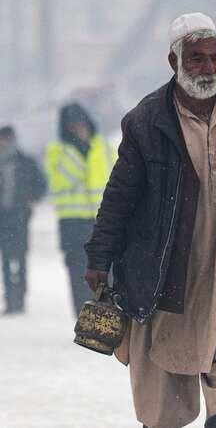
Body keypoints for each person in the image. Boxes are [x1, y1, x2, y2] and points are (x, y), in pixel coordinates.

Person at [83, 12, 216, 428]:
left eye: (215, 58)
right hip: (166, 273)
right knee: (165, 389)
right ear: (174, 61)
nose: (209, 68)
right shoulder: (146, 121)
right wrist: (99, 257)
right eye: (197, 59)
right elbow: (119, 197)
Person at [45, 102, 115, 316]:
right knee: (78, 271)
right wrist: (79, 148)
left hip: (101, 220)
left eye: (80, 123)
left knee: (107, 270)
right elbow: (62, 180)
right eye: (72, 125)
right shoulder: (58, 152)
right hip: (72, 222)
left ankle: (106, 315)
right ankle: (83, 315)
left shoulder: (102, 147)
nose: (78, 128)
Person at [0, 126, 46, 315]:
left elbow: (41, 186)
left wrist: (30, 200)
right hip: (2, 219)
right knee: (6, 260)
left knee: (20, 258)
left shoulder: (26, 162)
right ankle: (10, 299)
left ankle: (20, 296)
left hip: (19, 219)